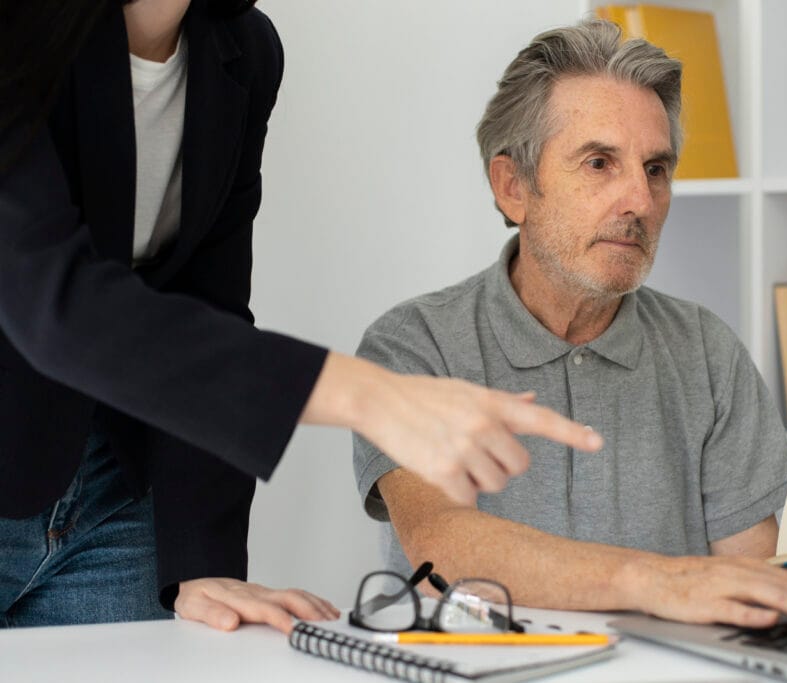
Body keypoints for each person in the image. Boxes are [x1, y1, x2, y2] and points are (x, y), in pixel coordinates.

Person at [0, 0, 601, 631]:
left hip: (113, 491)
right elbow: (52, 300)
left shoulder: (244, 51)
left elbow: (211, 299)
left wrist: (201, 558)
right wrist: (370, 396)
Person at [352, 19, 787, 628]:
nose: (640, 199)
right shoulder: (413, 346)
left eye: (656, 169)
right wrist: (654, 579)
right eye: (600, 163)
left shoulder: (708, 351)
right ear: (512, 187)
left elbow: (754, 578)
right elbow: (441, 547)